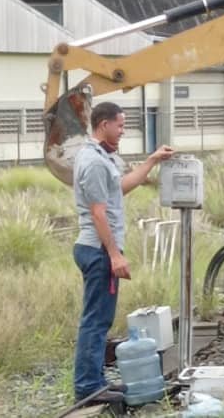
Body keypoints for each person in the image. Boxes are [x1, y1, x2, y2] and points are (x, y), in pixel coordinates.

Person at [72, 102, 174, 403]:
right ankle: (88, 386)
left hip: (99, 249)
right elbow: (98, 213)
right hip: (97, 250)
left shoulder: (103, 157)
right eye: (120, 124)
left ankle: (95, 381)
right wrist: (115, 255)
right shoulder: (92, 161)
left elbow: (121, 187)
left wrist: (152, 161)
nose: (123, 130)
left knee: (100, 319)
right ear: (103, 124)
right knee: (95, 321)